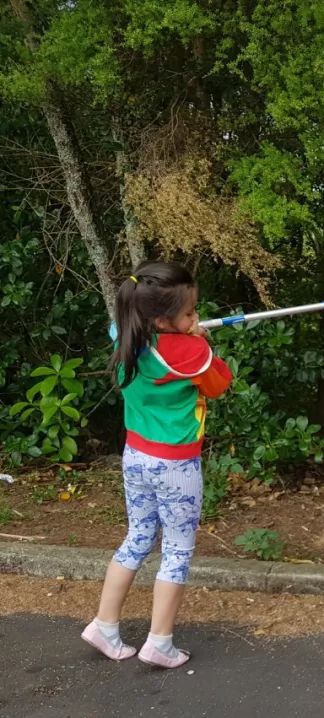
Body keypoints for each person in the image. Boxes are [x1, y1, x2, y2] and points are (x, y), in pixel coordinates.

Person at [81, 261, 233, 668]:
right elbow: (220, 383)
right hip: (175, 466)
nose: (195, 318)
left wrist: (187, 330)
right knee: (178, 550)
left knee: (138, 536)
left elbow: (147, 335)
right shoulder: (192, 350)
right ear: (163, 318)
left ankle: (104, 625)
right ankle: (159, 642)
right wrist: (199, 341)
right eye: (189, 313)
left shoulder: (124, 333)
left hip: (135, 456)